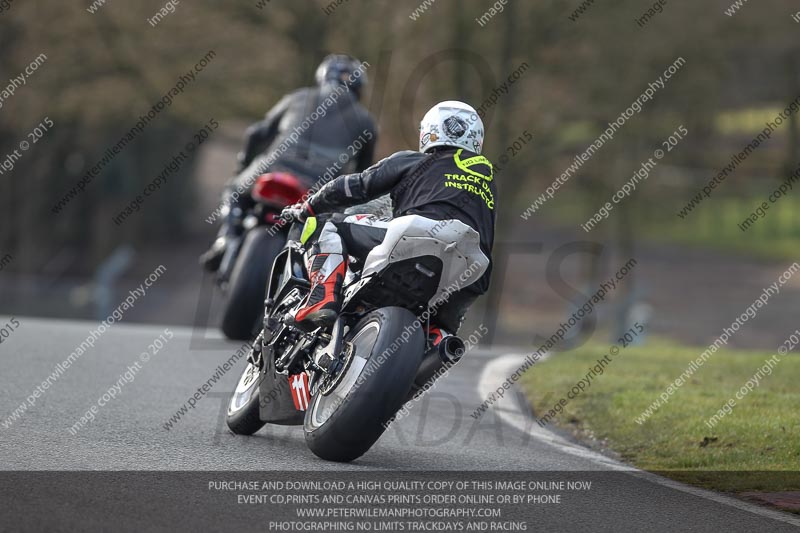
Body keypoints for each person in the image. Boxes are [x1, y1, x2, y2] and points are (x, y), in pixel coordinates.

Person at [282, 100, 496, 336]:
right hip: (472, 264)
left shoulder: (415, 160)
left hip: (415, 232)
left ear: (430, 131)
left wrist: (309, 206)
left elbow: (355, 186)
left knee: (327, 225)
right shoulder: (487, 181)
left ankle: (322, 298)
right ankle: (438, 342)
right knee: (442, 332)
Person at [201, 54, 378, 271]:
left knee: (233, 191)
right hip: (320, 187)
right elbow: (364, 174)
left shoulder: (298, 97)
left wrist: (244, 165)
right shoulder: (366, 121)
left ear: (323, 76)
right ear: (360, 87)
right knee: (324, 238)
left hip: (273, 168)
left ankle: (225, 239)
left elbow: (256, 133)